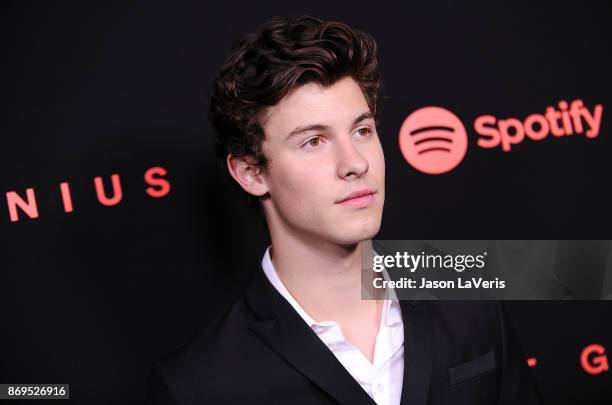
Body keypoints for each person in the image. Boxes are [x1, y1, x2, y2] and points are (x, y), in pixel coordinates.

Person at [146, 15, 541, 404]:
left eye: (362, 131)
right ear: (251, 173)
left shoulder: (467, 295)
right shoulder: (199, 385)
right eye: (314, 141)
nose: (355, 162)